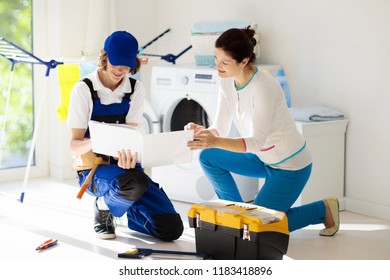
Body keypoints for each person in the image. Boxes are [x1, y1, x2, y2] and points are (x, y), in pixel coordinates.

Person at [186, 26, 339, 236]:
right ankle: (236, 214)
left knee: (259, 229)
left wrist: (213, 141)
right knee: (208, 156)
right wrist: (204, 133)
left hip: (289, 165)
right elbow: (219, 129)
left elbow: (256, 141)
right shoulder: (226, 83)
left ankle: (322, 210)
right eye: (216, 58)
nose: (217, 66)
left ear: (244, 62)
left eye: (224, 62)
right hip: (263, 159)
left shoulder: (264, 87)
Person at [67, 30, 184, 241]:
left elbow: (130, 133)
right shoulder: (84, 89)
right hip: (94, 170)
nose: (121, 70)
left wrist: (134, 152)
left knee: (171, 229)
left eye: (127, 65)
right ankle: (104, 207)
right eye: (116, 63)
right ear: (104, 57)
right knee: (134, 182)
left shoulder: (135, 89)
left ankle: (123, 207)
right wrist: (97, 140)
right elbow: (74, 146)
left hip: (128, 168)